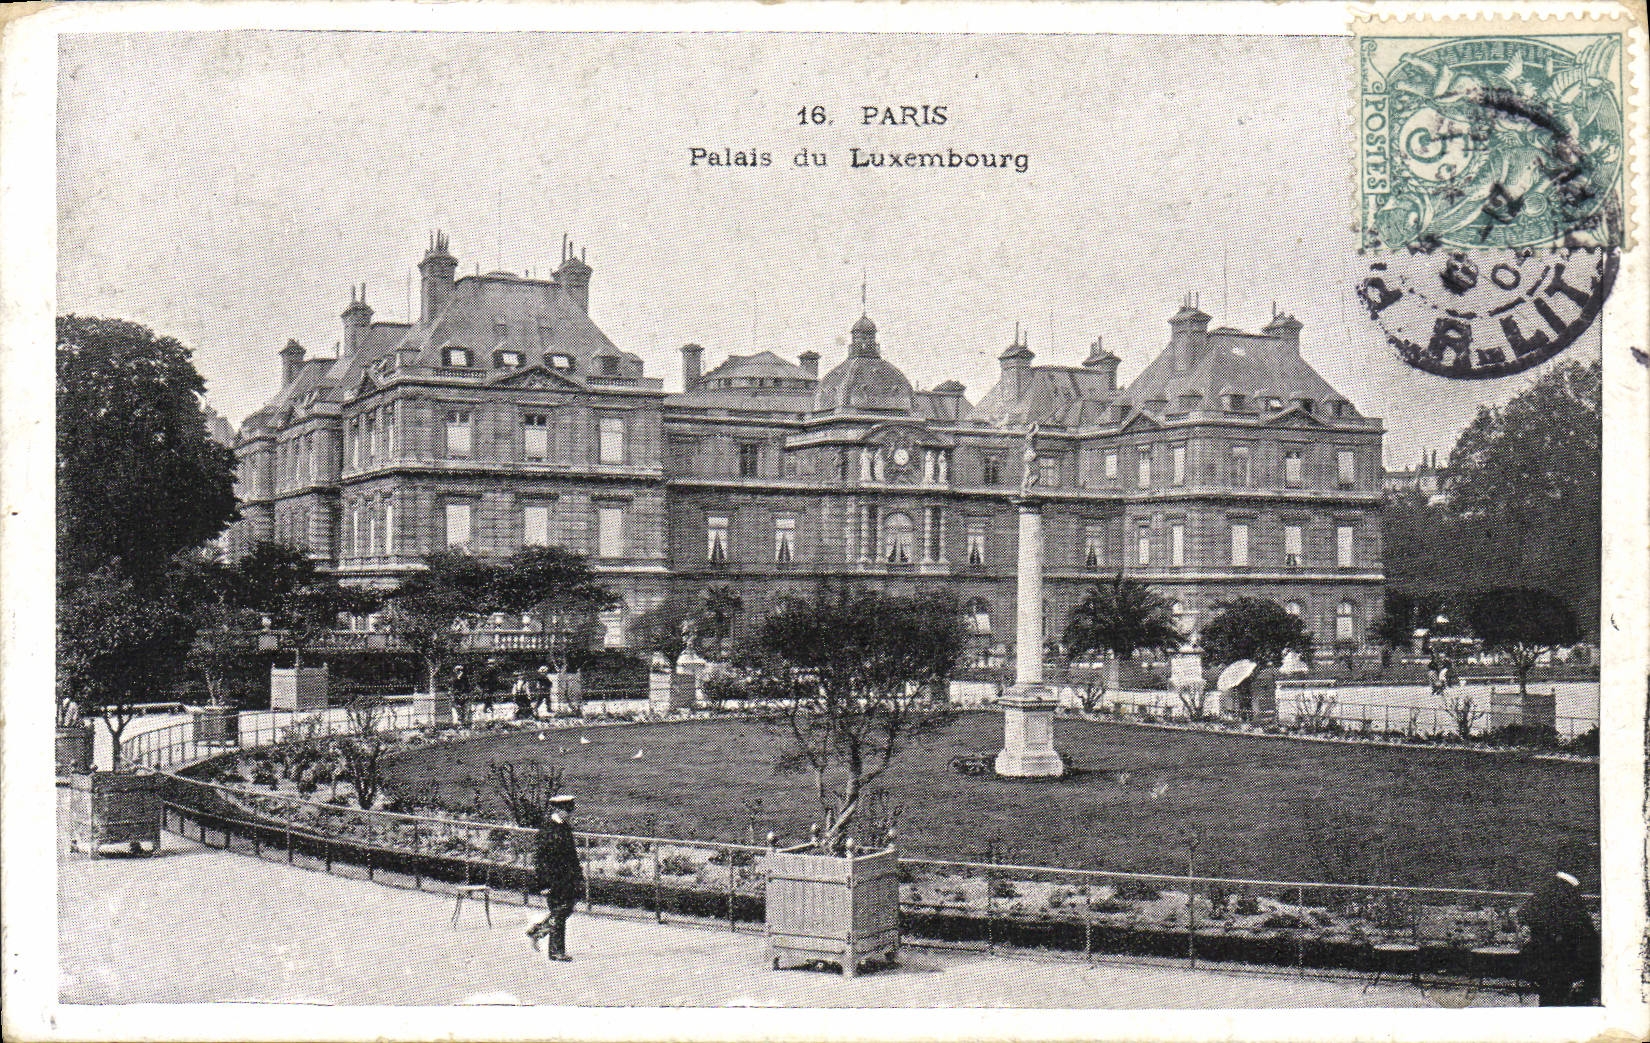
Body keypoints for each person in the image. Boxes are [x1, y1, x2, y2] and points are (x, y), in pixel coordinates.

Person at [1518, 870, 1600, 1005]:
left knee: (1548, 999)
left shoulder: (1545, 890)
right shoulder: (1570, 894)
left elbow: (1523, 914)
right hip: (1564, 962)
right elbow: (1586, 931)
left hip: (1541, 960)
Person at [526, 794, 584, 961]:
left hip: (567, 878)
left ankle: (538, 931)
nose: (568, 814)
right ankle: (556, 951)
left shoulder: (565, 827)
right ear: (557, 810)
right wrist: (543, 883)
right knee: (559, 911)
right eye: (566, 810)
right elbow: (540, 859)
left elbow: (572, 855)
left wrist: (578, 875)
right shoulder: (547, 829)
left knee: (566, 908)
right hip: (553, 879)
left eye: (569, 811)